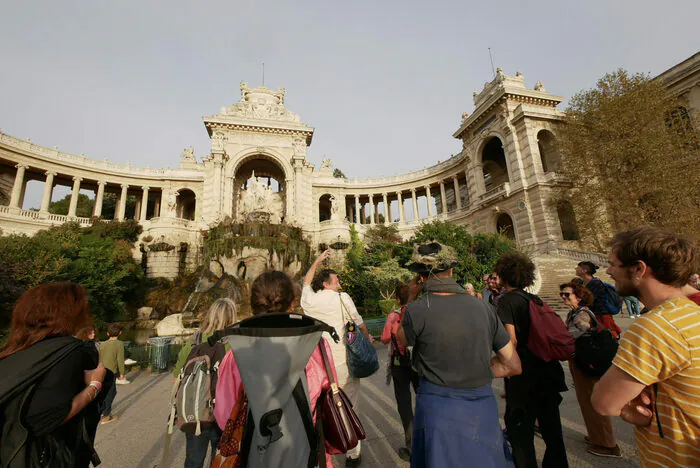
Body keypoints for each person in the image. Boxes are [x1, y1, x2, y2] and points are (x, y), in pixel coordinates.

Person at [395, 242, 521, 467]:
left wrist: (410, 298)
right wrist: (475, 369)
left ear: (420, 276)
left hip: (437, 410)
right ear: (452, 270)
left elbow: (401, 339)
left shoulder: (417, 309)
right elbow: (513, 365)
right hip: (481, 410)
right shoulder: (484, 308)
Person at [591, 227, 700, 467]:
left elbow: (604, 402)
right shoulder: (691, 312)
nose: (608, 271)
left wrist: (629, 403)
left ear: (639, 269)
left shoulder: (654, 326)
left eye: (613, 264)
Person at [214, 271, 339, 467]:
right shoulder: (316, 346)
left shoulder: (235, 355)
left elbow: (224, 417)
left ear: (254, 307)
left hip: (256, 456)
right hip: (307, 453)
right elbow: (329, 400)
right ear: (292, 303)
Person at [0, 282, 108, 467]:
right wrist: (94, 386)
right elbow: (47, 418)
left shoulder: (13, 351)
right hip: (40, 457)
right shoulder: (67, 353)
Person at [495, 253, 569, 468]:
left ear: (503, 276)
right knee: (552, 431)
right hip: (549, 370)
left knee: (520, 433)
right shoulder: (533, 298)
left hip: (526, 376)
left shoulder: (506, 301)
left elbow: (512, 341)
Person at [301, 250, 369, 467]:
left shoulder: (310, 301)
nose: (339, 283)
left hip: (320, 365)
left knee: (322, 408)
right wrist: (366, 340)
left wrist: (317, 261)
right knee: (350, 406)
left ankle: (324, 448)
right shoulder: (342, 298)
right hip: (342, 363)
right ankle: (352, 454)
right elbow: (358, 323)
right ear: (326, 283)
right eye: (336, 280)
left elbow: (305, 282)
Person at [172, 298, 237, 468]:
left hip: (196, 411)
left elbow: (177, 378)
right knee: (221, 460)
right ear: (232, 318)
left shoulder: (194, 341)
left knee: (193, 460)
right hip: (225, 413)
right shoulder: (235, 344)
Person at [559, 282, 621, 458]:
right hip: (581, 362)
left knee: (593, 402)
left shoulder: (582, 315)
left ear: (578, 297)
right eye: (562, 294)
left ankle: (608, 444)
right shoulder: (575, 313)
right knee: (586, 401)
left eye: (567, 294)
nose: (563, 297)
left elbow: (570, 337)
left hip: (588, 363)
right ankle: (596, 436)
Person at [380, 283, 420, 461]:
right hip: (418, 363)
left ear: (397, 299)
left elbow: (384, 339)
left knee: (404, 403)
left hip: (399, 363)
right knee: (423, 398)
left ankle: (411, 445)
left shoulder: (394, 316)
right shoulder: (419, 313)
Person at [575, 261, 622, 338]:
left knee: (607, 337)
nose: (576, 269)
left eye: (578, 268)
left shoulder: (596, 283)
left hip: (601, 315)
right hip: (592, 315)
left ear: (584, 270)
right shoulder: (584, 283)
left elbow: (588, 300)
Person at [98, 323, 126, 424]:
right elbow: (120, 359)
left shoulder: (102, 344)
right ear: (120, 333)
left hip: (102, 371)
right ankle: (106, 415)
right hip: (111, 372)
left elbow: (99, 358)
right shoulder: (119, 344)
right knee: (111, 392)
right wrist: (122, 373)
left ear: (107, 333)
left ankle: (101, 410)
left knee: (104, 391)